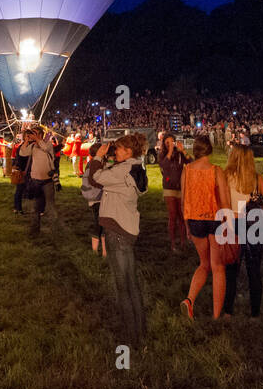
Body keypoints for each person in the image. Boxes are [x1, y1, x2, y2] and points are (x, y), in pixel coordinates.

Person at [93, 134, 148, 343]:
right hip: (128, 229)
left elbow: (96, 178)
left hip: (117, 232)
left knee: (122, 286)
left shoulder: (121, 171)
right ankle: (141, 330)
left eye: (118, 148)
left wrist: (98, 158)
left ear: (128, 152)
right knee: (132, 283)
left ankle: (130, 336)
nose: (115, 151)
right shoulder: (135, 168)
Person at [180, 135, 232, 320]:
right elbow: (225, 202)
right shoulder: (216, 170)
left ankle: (190, 300)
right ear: (209, 150)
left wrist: (187, 225)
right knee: (218, 266)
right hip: (215, 219)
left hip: (194, 219)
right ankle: (216, 315)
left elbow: (184, 200)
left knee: (204, 264)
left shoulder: (187, 170)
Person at [222, 144, 263, 318]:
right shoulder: (257, 179)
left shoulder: (226, 177)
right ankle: (255, 312)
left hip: (232, 224)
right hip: (254, 225)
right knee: (254, 270)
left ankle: (228, 310)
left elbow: (222, 203)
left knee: (231, 270)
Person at [18, 126, 60, 237]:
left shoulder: (48, 144)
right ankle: (34, 232)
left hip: (47, 181)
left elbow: (45, 148)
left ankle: (54, 231)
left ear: (40, 135)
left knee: (50, 207)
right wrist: (26, 140)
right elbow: (22, 153)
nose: (33, 135)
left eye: (35, 133)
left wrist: (37, 139)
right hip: (35, 181)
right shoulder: (32, 146)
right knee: (35, 208)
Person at [157, 133, 188, 253]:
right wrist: (169, 152)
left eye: (172, 142)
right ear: (164, 144)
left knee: (181, 215)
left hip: (180, 187)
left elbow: (191, 163)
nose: (170, 144)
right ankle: (173, 243)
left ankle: (183, 241)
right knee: (172, 215)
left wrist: (183, 150)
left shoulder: (180, 154)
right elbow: (164, 165)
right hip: (169, 188)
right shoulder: (162, 154)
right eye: (167, 142)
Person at [80, 143, 106, 256]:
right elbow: (97, 181)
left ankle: (96, 251)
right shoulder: (97, 164)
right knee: (103, 224)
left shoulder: (90, 164)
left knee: (98, 223)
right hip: (99, 198)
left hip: (93, 199)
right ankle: (104, 252)